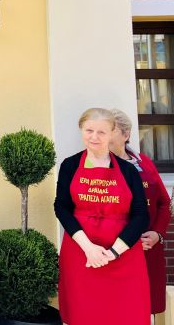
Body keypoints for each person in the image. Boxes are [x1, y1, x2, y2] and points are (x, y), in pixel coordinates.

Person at [54, 107, 150, 325]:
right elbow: (62, 207)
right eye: (89, 130)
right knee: (83, 315)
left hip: (123, 257)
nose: (94, 137)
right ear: (81, 130)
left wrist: (114, 252)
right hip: (81, 255)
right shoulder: (70, 165)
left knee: (126, 315)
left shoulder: (128, 170)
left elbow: (140, 215)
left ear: (112, 133)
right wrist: (89, 248)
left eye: (101, 132)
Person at [109, 108, 171, 317]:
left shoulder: (144, 161)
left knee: (145, 308)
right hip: (118, 252)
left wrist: (157, 233)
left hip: (149, 249)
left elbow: (164, 202)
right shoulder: (99, 166)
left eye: (110, 130)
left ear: (126, 134)